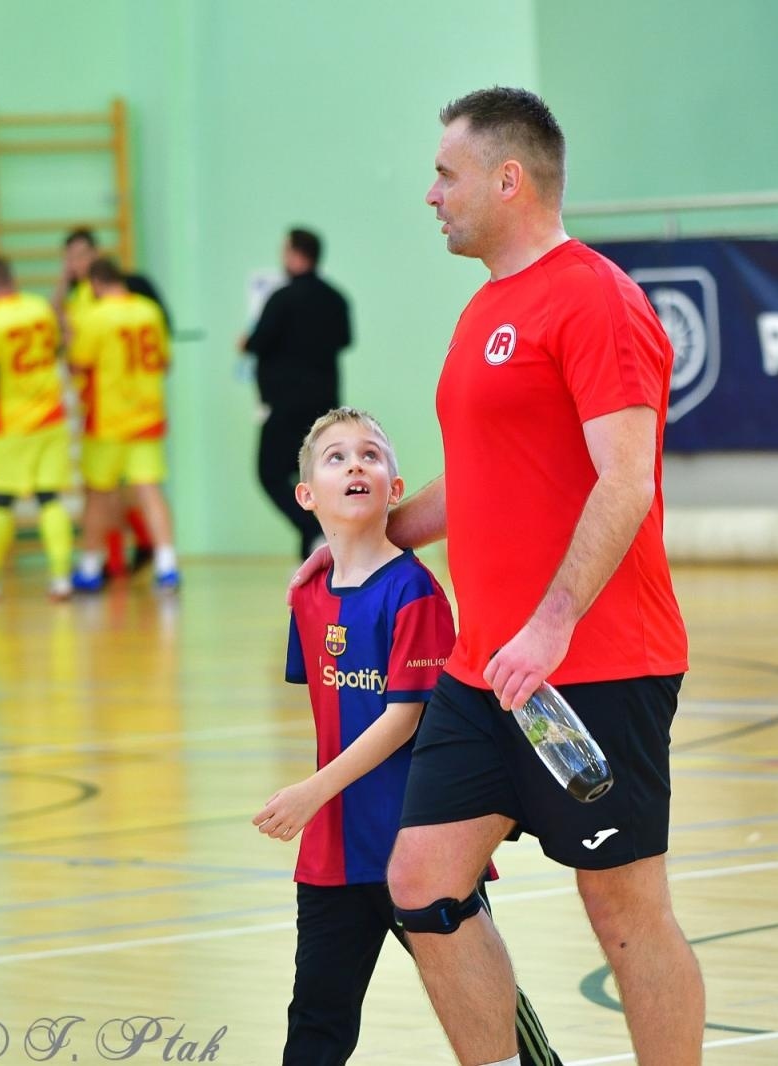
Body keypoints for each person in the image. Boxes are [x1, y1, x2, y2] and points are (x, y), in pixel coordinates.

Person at [292, 87, 700, 1066]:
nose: (431, 194)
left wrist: (554, 620)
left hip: (598, 666)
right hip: (486, 671)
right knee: (422, 882)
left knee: (623, 907)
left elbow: (626, 480)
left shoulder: (597, 299)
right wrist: (375, 529)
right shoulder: (484, 308)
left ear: (507, 179)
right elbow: (479, 485)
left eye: (446, 174)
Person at [257, 406, 561, 1066]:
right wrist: (321, 805)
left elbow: (404, 719)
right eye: (335, 458)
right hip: (334, 853)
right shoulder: (308, 594)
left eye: (370, 455)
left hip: (420, 842)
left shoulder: (415, 593)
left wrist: (311, 792)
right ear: (307, 495)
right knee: (316, 1021)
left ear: (396, 490)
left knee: (487, 1005)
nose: (355, 465)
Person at [0, 258, 74, 600]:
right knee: (50, 499)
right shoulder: (38, 308)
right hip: (52, 419)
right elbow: (57, 349)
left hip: (13, 426)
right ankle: (61, 579)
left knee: (0, 503)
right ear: (14, 280)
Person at [54, 226, 166, 575]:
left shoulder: (96, 305)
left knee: (104, 489)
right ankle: (148, 556)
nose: (75, 263)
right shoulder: (141, 305)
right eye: (70, 257)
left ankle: (101, 561)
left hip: (108, 411)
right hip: (140, 408)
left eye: (81, 255)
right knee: (132, 488)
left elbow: (77, 356)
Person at [68, 257, 180, 592]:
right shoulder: (148, 310)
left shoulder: (95, 317)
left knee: (99, 494)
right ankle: (167, 565)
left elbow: (78, 364)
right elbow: (164, 361)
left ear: (95, 285)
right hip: (146, 415)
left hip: (108, 420)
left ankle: (89, 567)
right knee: (149, 491)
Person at [241, 227, 353, 560]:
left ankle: (314, 532)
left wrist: (245, 343)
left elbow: (257, 342)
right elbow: (344, 340)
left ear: (294, 254)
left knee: (270, 473)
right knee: (315, 477)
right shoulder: (336, 298)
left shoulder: (282, 298)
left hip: (285, 406)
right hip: (323, 407)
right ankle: (315, 541)